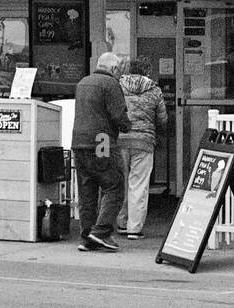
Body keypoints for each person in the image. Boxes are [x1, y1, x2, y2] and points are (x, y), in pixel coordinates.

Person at [71, 52, 131, 252]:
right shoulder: (110, 84)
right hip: (101, 142)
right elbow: (118, 116)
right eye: (119, 70)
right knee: (114, 186)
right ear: (113, 69)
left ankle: (87, 237)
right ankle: (101, 232)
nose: (119, 73)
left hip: (79, 143)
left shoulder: (83, 83)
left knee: (86, 192)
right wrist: (127, 125)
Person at [116, 54, 166, 241]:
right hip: (144, 141)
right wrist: (158, 133)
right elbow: (162, 119)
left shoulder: (118, 87)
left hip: (120, 139)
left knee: (122, 182)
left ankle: (121, 222)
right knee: (139, 185)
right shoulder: (154, 90)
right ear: (147, 71)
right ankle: (134, 229)